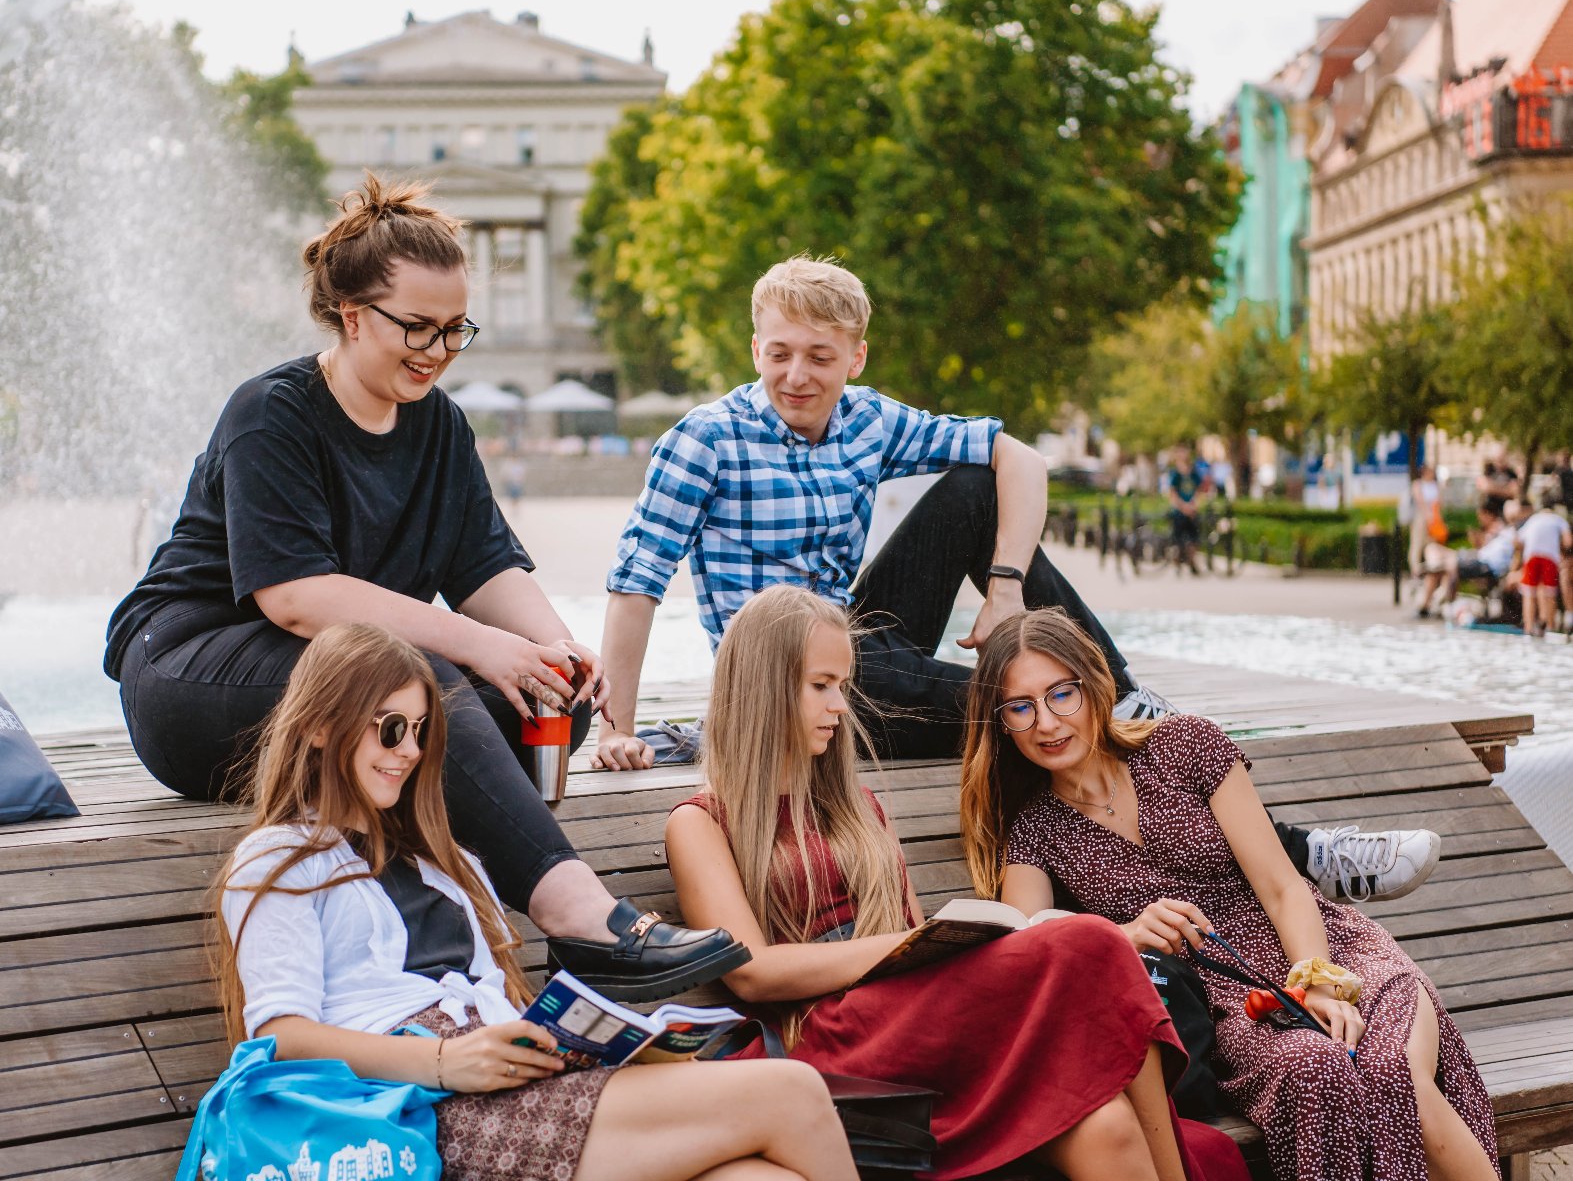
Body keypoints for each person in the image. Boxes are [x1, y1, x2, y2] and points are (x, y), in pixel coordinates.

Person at [598, 254, 1438, 903]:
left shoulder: (869, 418)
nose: (797, 376)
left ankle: (1122, 695)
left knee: (972, 487)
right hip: (791, 687)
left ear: (855, 356)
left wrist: (1002, 589)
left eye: (819, 356)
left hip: (856, 642)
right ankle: (1300, 853)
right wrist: (615, 730)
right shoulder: (703, 440)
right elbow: (636, 583)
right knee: (1037, 714)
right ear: (754, 349)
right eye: (778, 354)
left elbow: (1020, 459)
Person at [105, 173, 745, 1002]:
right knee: (413, 682)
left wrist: (554, 651)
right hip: (191, 676)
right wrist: (480, 646)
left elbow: (483, 565)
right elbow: (294, 597)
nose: (436, 351)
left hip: (348, 688)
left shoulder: (437, 423)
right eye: (415, 327)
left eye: (453, 331)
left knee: (547, 697)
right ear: (351, 315)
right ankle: (584, 919)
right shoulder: (272, 412)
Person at [216, 622, 857, 1181]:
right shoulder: (277, 859)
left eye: (418, 731)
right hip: (417, 1107)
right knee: (793, 1090)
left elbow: (488, 997)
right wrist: (442, 1061)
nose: (409, 751)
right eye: (390, 729)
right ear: (322, 725)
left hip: (509, 1083)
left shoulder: (446, 861)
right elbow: (280, 1035)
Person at [664, 586, 1248, 1181]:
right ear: (762, 686)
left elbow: (912, 938)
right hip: (829, 1039)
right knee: (1094, 943)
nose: (840, 706)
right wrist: (906, 946)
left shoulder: (860, 807)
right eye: (821, 686)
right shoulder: (701, 822)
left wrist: (943, 940)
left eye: (843, 686)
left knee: (1109, 1127)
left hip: (907, 1018)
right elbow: (751, 973)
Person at [960, 608, 1500, 1181]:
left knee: (1393, 1073)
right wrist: (1123, 935)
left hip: (1327, 954)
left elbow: (1282, 884)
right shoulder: (1036, 830)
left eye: (1061, 694)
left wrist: (1315, 982)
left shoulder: (1185, 744)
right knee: (1313, 1068)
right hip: (1233, 1012)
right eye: (1021, 707)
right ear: (1001, 724)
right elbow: (1024, 950)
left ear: (1093, 685)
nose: (1047, 722)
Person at [1416, 504, 1515, 618]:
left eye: (1481, 515)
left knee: (1450, 565)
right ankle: (1434, 570)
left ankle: (1433, 579)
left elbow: (1491, 556)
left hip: (1484, 563)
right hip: (1477, 558)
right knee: (1433, 549)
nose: (1479, 519)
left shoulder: (1502, 530)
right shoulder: (1501, 531)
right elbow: (1485, 550)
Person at [1515, 498, 1571, 636]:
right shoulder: (1559, 520)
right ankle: (1550, 627)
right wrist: (1562, 550)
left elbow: (1516, 541)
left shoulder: (1533, 519)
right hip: (1549, 557)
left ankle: (1528, 628)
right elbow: (1569, 542)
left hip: (1531, 556)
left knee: (1529, 593)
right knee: (1550, 593)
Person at [1162, 444, 1212, 576]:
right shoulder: (1175, 473)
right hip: (1179, 510)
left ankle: (1192, 562)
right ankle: (1179, 561)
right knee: (1178, 538)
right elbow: (1172, 493)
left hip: (1192, 509)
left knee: (1195, 538)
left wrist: (1193, 504)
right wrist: (1183, 506)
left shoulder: (1193, 471)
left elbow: (1200, 490)